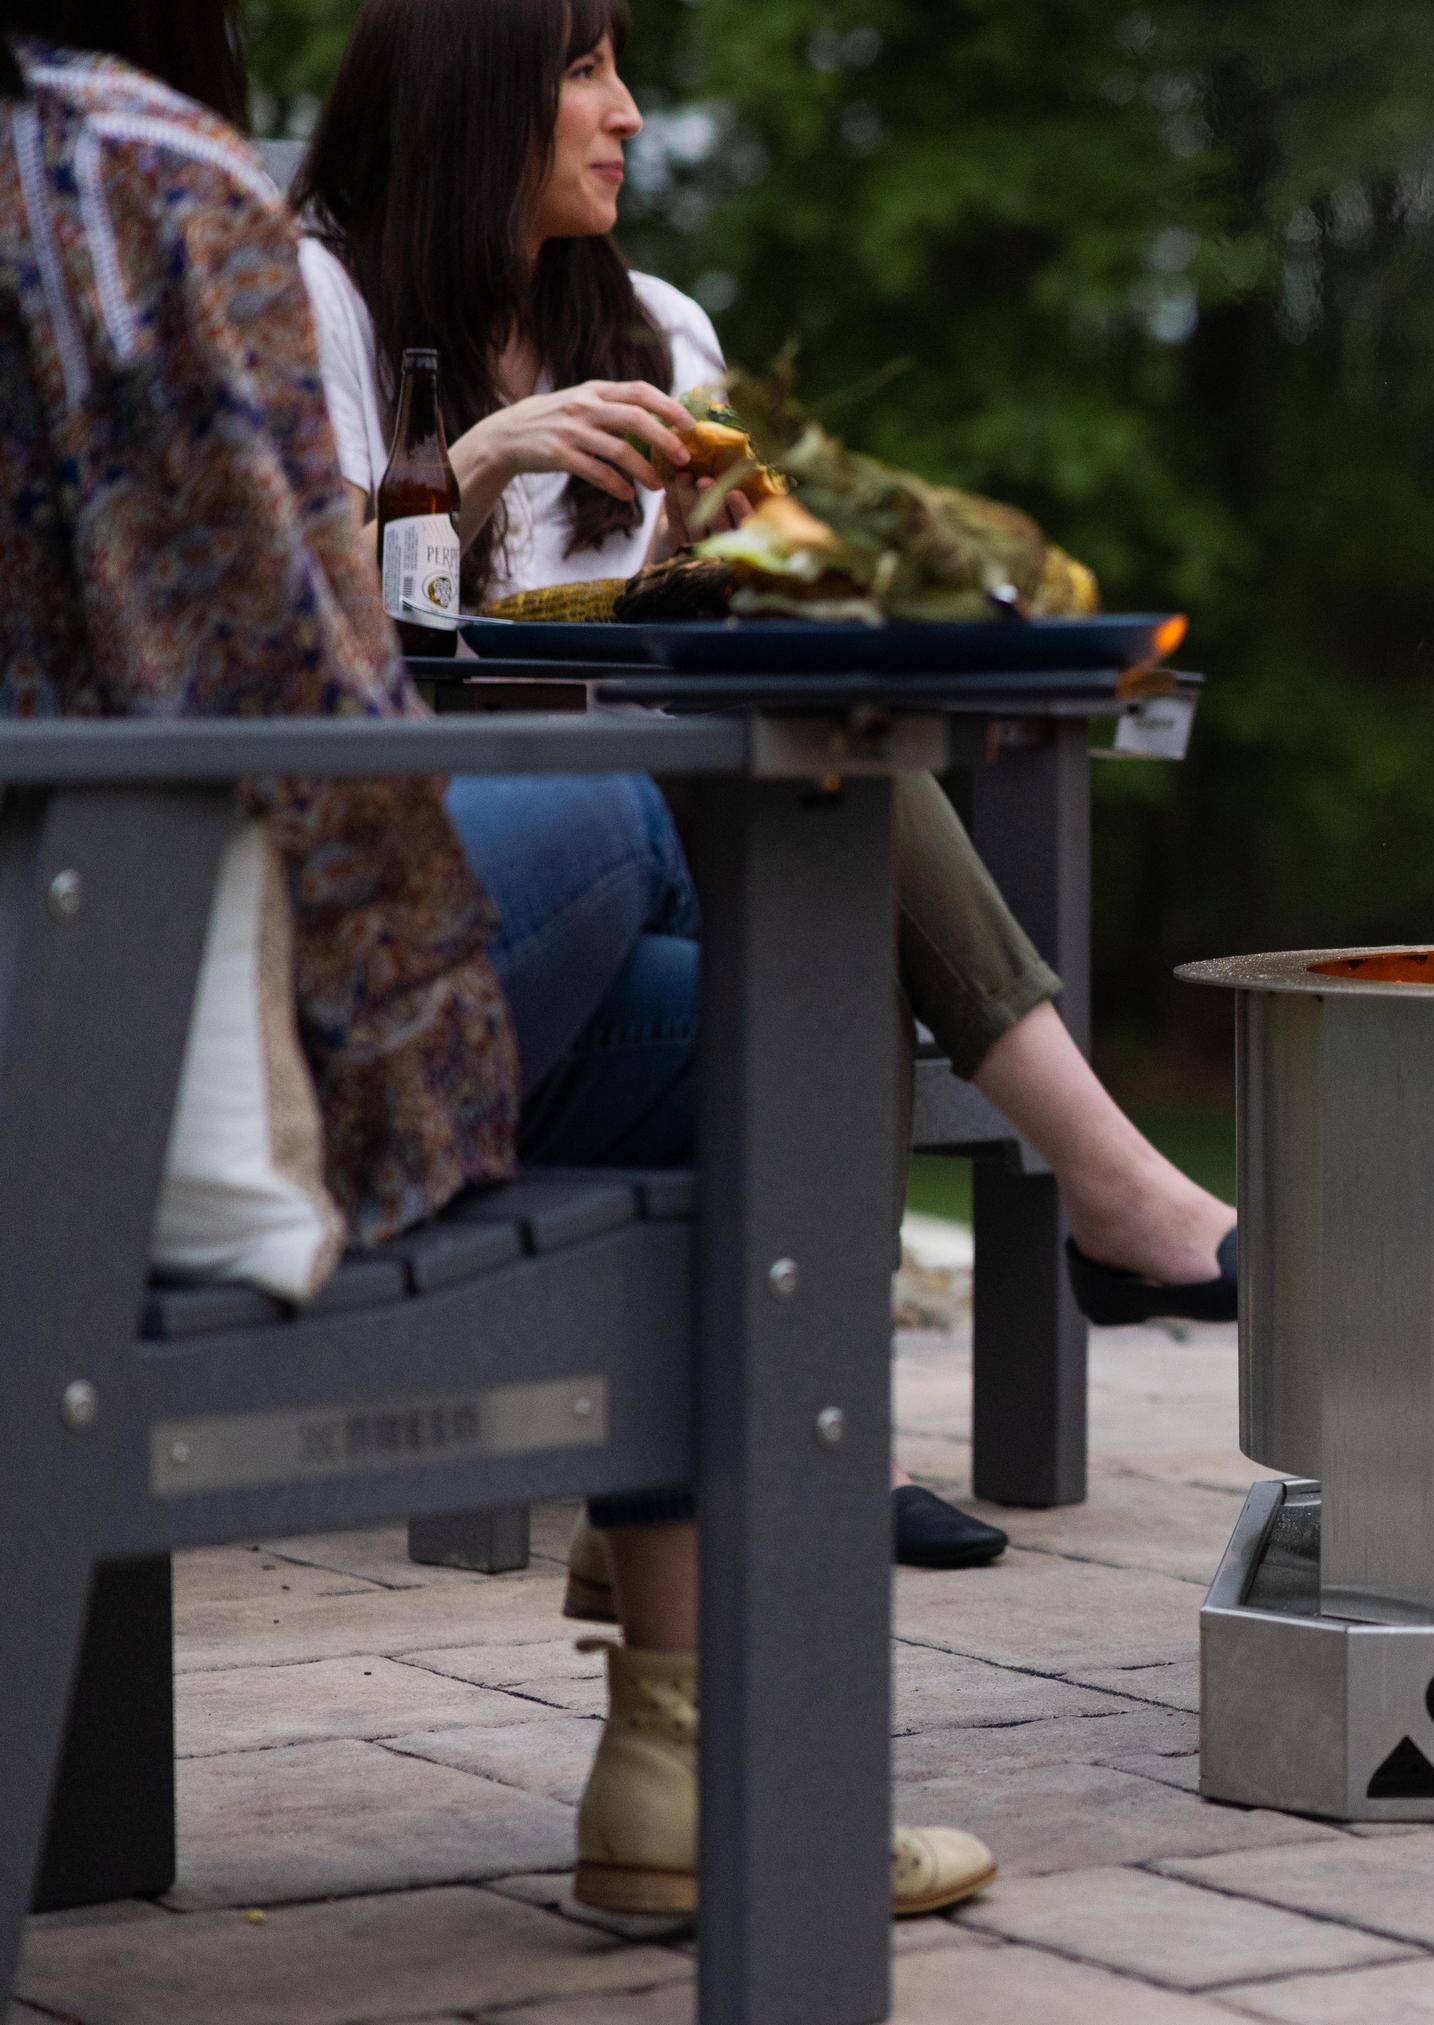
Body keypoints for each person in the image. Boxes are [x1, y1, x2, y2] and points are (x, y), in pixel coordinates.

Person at [0, 0, 991, 1919]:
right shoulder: (123, 190)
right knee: (663, 855)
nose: (623, 109)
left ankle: (684, 1754)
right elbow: (288, 692)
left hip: (84, 955)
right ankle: (716, 1730)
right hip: (123, 1056)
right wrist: (456, 500)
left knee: (723, 995)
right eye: (584, 64)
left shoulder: (622, 314)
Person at [288, 0, 1243, 1586]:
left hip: (687, 815)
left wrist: (799, 564)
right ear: (471, 98)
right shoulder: (322, 297)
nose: (633, 112)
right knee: (817, 818)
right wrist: (476, 462)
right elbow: (266, 606)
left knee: (816, 806)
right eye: (585, 70)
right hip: (467, 853)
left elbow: (739, 591)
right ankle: (1091, 1200)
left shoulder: (654, 326)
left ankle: (822, 1418)